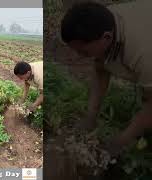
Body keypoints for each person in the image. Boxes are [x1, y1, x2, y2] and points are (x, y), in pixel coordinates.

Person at [60, 0, 152, 156]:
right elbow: (101, 68)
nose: (80, 57)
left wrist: (122, 140)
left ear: (107, 37)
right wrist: (90, 116)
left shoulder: (144, 54)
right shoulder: (102, 22)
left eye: (84, 52)